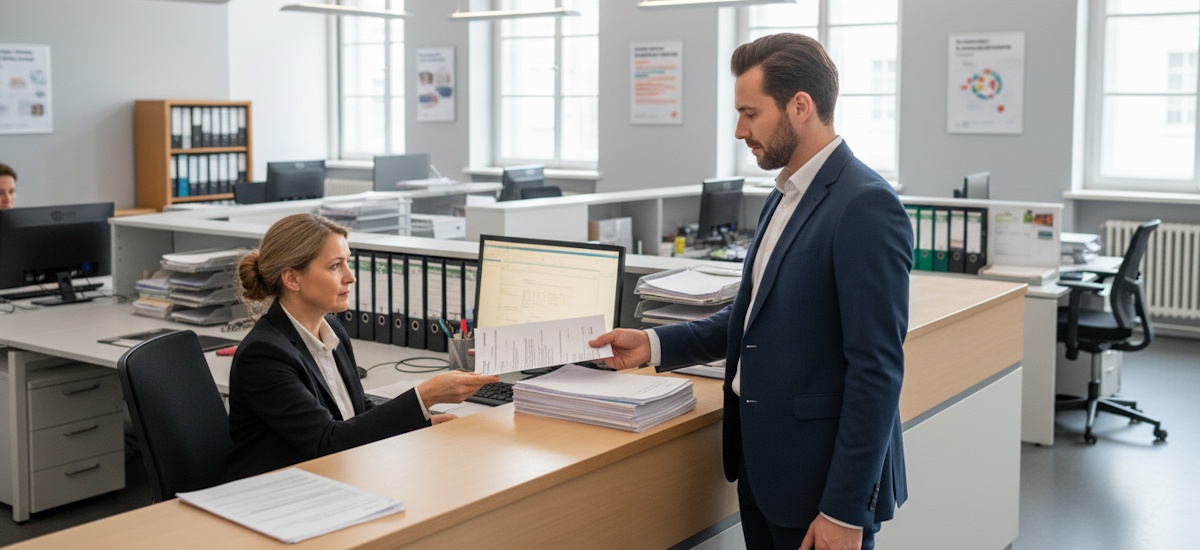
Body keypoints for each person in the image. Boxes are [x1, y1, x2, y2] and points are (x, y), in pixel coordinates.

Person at [590, 33, 912, 550]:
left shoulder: (864, 205)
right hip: (764, 473)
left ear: (800, 107)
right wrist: (652, 343)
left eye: (750, 113)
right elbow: (750, 320)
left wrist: (845, 510)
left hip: (821, 490)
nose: (740, 130)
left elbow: (877, 370)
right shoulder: (781, 196)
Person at [225, 213, 498, 481]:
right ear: (293, 279)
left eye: (348, 262)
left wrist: (421, 424)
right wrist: (423, 396)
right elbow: (328, 442)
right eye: (335, 266)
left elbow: (357, 411)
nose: (350, 277)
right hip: (278, 490)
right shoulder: (264, 355)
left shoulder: (333, 330)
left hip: (333, 476)